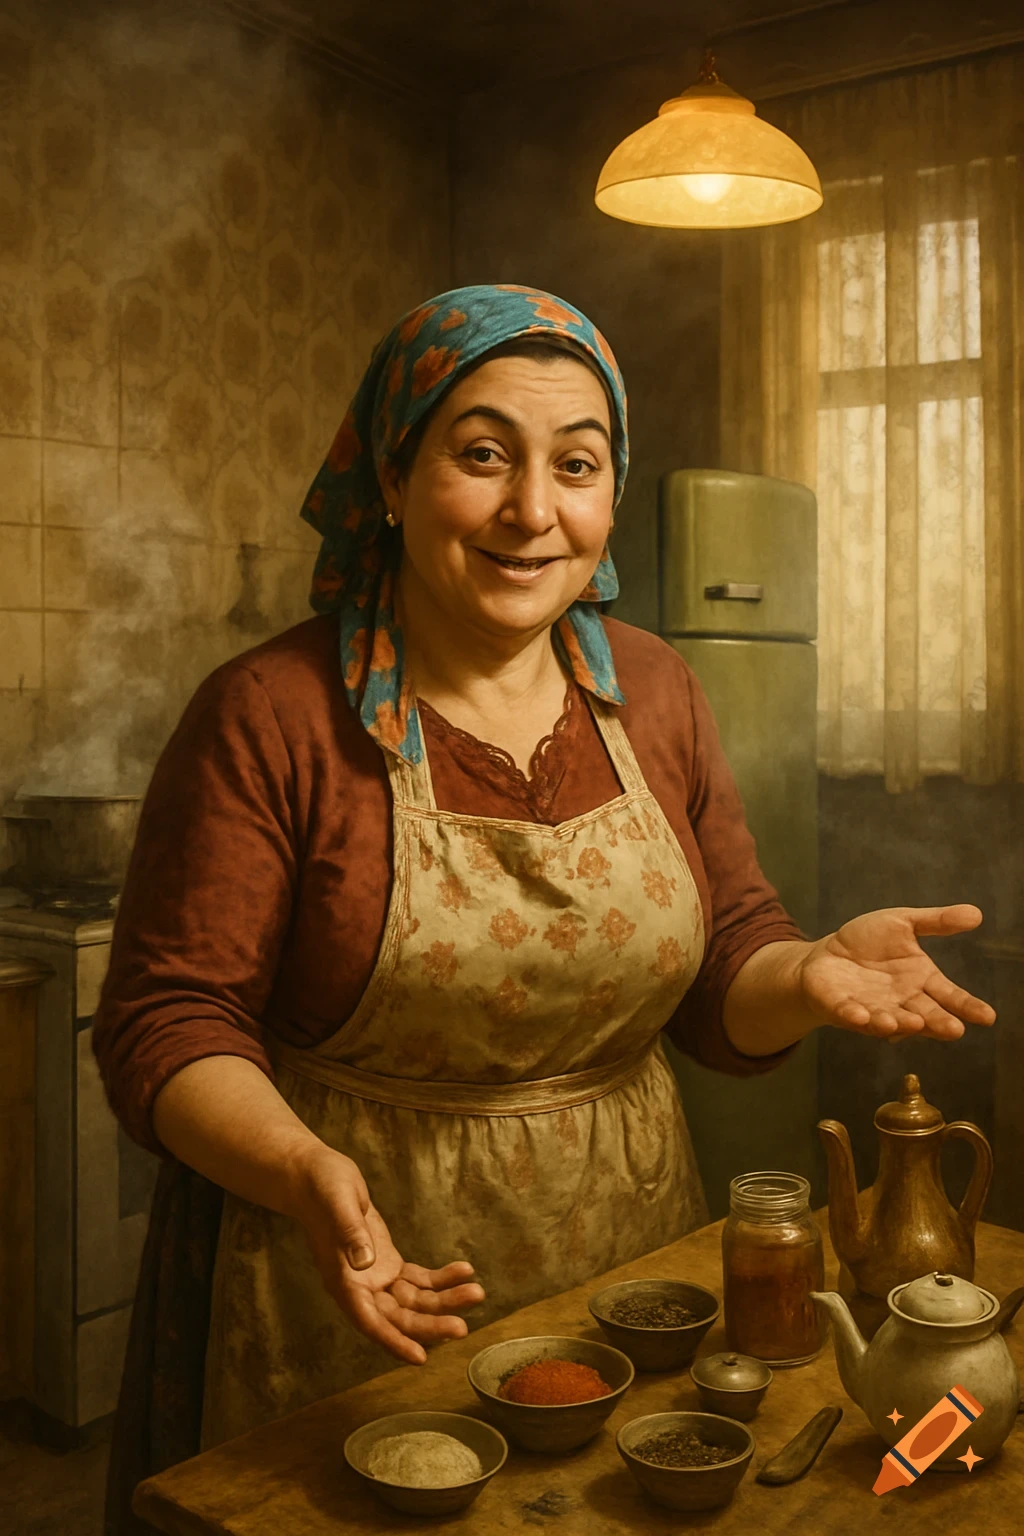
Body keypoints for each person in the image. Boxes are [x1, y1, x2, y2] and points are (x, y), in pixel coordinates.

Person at [94, 284, 994, 1526]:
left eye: (576, 464)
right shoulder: (272, 715)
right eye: (480, 456)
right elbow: (168, 1024)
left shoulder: (659, 694)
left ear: (610, 495)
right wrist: (303, 1173)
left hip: (624, 1264)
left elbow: (725, 956)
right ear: (393, 476)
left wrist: (805, 974)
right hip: (354, 1277)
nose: (532, 511)